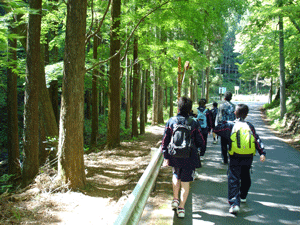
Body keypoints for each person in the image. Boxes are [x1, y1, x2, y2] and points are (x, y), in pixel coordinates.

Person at [213, 104, 266, 214]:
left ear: (235, 113)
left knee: (233, 178)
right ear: (247, 115)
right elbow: (256, 139)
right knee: (246, 175)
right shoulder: (250, 126)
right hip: (248, 156)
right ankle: (243, 195)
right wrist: (262, 152)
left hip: (235, 156)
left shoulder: (230, 125)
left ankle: (234, 204)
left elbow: (217, 129)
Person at [161, 96, 206, 218]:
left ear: (178, 107)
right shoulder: (194, 122)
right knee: (186, 182)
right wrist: (200, 150)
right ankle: (181, 208)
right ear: (190, 109)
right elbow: (200, 141)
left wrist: (166, 156)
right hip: (189, 156)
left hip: (174, 155)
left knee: (176, 175)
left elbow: (165, 141)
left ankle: (175, 199)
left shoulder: (171, 121)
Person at [215, 91, 236, 164]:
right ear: (231, 98)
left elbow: (219, 116)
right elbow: (235, 117)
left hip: (224, 127)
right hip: (232, 127)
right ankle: (231, 157)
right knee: (231, 143)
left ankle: (225, 160)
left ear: (224, 98)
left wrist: (217, 127)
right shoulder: (234, 106)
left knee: (223, 144)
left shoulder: (221, 106)